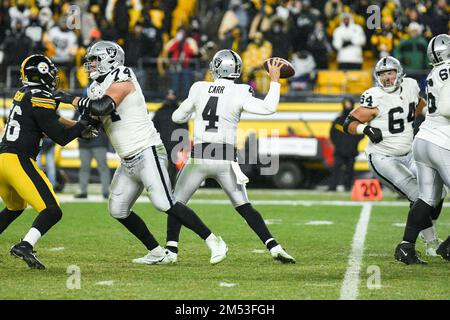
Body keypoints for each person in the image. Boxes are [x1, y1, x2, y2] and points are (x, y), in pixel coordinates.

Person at [57, 41, 227, 265]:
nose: (91, 65)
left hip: (148, 151)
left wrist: (70, 98)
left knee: (164, 203)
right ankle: (156, 251)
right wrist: (56, 118)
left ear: (111, 59)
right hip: (127, 159)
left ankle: (214, 240)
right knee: (118, 209)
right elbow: (89, 127)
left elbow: (102, 107)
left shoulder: (122, 74)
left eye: (96, 60)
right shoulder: (96, 89)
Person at [165, 49, 296, 264]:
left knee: (176, 203)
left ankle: (171, 250)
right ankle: (273, 246)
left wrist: (193, 109)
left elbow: (177, 117)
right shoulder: (242, 90)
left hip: (200, 156)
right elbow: (269, 108)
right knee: (244, 206)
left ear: (215, 67)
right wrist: (275, 81)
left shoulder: (199, 88)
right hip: (226, 157)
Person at [0, 54, 97, 269]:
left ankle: (25, 245)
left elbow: (53, 120)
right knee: (52, 210)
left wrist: (80, 128)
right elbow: (61, 137)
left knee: (15, 207)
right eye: (51, 72)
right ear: (41, 73)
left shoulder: (24, 93)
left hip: (3, 160)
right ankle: (25, 245)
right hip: (19, 160)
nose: (54, 76)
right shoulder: (40, 97)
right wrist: (83, 123)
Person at [344, 56, 443, 257]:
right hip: (383, 157)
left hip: (410, 153)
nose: (387, 78)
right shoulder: (374, 96)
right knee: (419, 195)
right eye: (382, 74)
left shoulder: (410, 86)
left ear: (399, 74)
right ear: (377, 77)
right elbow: (348, 123)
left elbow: (420, 105)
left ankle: (425, 229)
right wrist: (365, 129)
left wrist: (431, 116)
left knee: (438, 194)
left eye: (390, 73)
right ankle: (431, 242)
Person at [394, 34, 450, 264]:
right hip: (442, 140)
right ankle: (447, 247)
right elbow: (447, 108)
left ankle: (406, 246)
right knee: (428, 197)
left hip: (424, 138)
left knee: (427, 197)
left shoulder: (434, 72)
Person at [152, 89, 188, 186]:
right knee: (168, 168)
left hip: (168, 145)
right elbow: (185, 129)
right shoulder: (179, 112)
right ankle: (169, 188)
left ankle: (166, 187)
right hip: (169, 145)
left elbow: (153, 129)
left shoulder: (160, 111)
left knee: (166, 168)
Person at [328, 98, 363, 191]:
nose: (347, 105)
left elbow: (361, 133)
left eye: (349, 103)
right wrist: (337, 145)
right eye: (346, 103)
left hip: (351, 151)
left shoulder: (355, 121)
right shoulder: (338, 120)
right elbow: (332, 134)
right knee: (336, 169)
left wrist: (354, 144)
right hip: (339, 151)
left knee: (350, 170)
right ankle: (333, 186)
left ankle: (348, 186)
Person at [74, 120, 111, 200]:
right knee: (86, 168)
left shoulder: (97, 108)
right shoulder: (78, 110)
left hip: (98, 142)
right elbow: (74, 124)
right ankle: (83, 192)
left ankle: (105, 192)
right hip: (85, 143)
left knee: (102, 167)